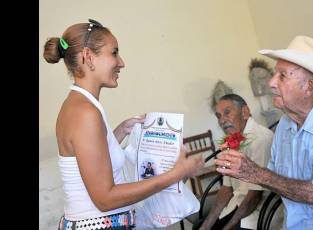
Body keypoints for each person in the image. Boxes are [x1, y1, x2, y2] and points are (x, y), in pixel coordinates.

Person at [43, 19, 204, 230]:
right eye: (114, 53)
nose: (121, 62)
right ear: (88, 57)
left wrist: (119, 132)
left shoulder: (79, 104)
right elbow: (105, 199)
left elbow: (89, 161)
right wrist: (174, 175)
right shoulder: (85, 112)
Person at [215, 35, 313, 229]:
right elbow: (273, 176)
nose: (271, 82)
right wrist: (243, 171)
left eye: (282, 75)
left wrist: (255, 173)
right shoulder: (285, 124)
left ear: (309, 87)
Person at [199, 94, 273, 230]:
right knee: (200, 226)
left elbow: (255, 196)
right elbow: (227, 188)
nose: (222, 120)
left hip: (259, 211)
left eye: (227, 112)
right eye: (218, 116)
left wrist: (228, 227)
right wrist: (206, 226)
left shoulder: (261, 139)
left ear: (244, 112)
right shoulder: (229, 142)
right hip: (238, 204)